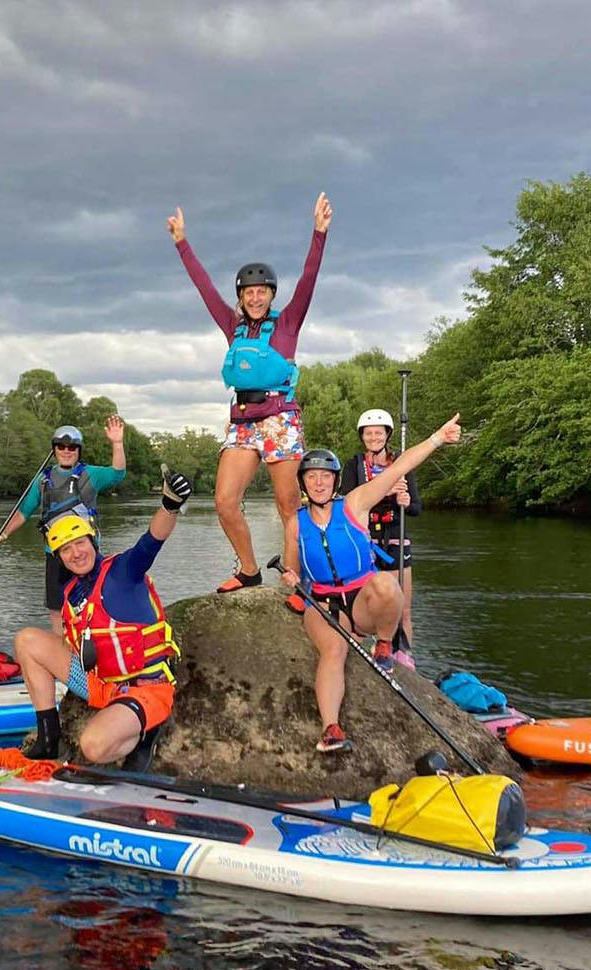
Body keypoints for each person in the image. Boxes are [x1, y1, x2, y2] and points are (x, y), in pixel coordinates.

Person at [168, 193, 331, 594]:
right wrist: (182, 243)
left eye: (262, 291)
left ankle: (295, 578)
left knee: (288, 504)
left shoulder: (288, 322)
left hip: (280, 419)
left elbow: (309, 279)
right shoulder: (232, 325)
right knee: (224, 501)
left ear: (272, 294)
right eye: (248, 292)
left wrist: (319, 234)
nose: (255, 298)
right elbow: (204, 288)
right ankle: (249, 570)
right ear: (240, 297)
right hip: (243, 420)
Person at [280, 414, 462, 752]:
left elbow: (399, 467)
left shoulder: (354, 504)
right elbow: (292, 568)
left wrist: (437, 439)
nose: (318, 483)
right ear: (303, 483)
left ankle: (384, 643)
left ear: (335, 481)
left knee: (388, 585)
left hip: (362, 598)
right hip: (324, 602)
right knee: (334, 650)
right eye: (311, 477)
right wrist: (290, 577)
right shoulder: (295, 523)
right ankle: (330, 730)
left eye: (325, 476)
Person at [11, 467, 194, 769]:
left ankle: (146, 732)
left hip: (145, 688)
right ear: (59, 558)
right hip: (101, 684)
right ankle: (48, 737)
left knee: (93, 746)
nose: (76, 553)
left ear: (93, 541)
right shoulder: (71, 592)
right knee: (27, 640)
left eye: (80, 543)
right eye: (65, 550)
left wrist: (170, 505)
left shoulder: (124, 571)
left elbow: (151, 541)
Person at [0, 417, 127, 633]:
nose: (66, 451)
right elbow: (23, 512)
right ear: (54, 450)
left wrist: (117, 443)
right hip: (55, 553)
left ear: (78, 450)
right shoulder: (42, 480)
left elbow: (118, 473)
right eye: (61, 446)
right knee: (57, 608)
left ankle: (92, 643)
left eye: (72, 447)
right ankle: (62, 646)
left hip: (84, 551)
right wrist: (3, 534)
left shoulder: (91, 474)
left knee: (91, 602)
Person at [342, 408, 422, 669]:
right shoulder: (354, 466)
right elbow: (347, 502)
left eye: (378, 433)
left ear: (387, 435)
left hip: (396, 540)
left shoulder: (401, 465)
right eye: (369, 433)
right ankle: (357, 655)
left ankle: (404, 660)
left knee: (403, 609)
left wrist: (405, 501)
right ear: (362, 436)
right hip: (365, 543)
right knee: (362, 605)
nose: (374, 438)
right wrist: (386, 491)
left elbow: (416, 508)